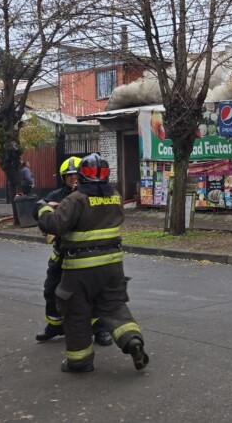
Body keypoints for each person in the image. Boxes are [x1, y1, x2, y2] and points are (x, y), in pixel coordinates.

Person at [35, 153, 148, 373]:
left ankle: (80, 361)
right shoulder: (115, 197)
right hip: (113, 266)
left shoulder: (76, 199)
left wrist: (43, 209)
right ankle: (132, 339)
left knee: (76, 312)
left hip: (81, 268)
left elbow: (54, 225)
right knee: (114, 306)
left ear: (81, 176)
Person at [35, 157, 113, 347]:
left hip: (87, 255)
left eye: (75, 175)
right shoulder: (57, 195)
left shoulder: (92, 195)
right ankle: (55, 326)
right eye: (68, 175)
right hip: (62, 254)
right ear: (63, 178)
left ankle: (100, 330)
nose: (73, 178)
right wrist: (44, 208)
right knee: (51, 289)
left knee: (92, 293)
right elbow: (39, 207)